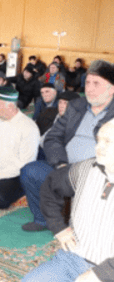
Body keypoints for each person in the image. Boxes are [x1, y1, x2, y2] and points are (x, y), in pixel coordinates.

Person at [20, 60, 114, 232]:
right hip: (64, 167)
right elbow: (53, 137)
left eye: (96, 83)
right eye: (87, 83)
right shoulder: (77, 106)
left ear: (112, 88)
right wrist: (60, 164)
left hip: (98, 174)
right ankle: (42, 219)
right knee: (30, 171)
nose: (90, 88)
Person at [22, 119, 114, 281]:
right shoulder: (86, 168)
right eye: (99, 140)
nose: (98, 147)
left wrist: (103, 274)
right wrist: (58, 227)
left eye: (108, 141)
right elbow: (50, 186)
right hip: (72, 260)